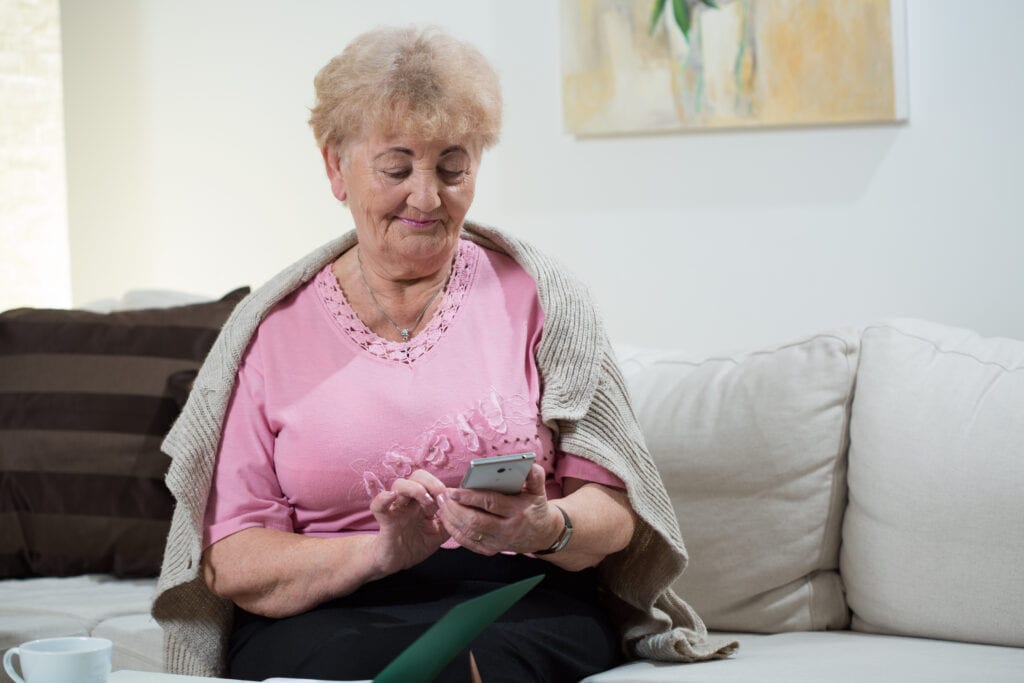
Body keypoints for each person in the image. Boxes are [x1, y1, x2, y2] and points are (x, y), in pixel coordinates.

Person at [152, 25, 736, 682]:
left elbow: (615, 516)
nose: (427, 197)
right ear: (336, 167)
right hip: (326, 607)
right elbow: (232, 560)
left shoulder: (544, 299)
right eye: (397, 167)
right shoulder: (270, 330)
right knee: (383, 664)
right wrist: (379, 554)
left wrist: (543, 525)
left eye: (453, 168)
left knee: (463, 662)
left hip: (517, 600)